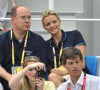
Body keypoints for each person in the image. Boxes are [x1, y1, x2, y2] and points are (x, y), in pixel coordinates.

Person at [0, 5, 48, 90]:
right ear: (13, 20)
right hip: (6, 82)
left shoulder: (38, 40)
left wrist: (25, 77)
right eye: (23, 18)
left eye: (29, 18)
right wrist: (10, 78)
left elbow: (43, 66)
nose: (27, 21)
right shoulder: (2, 39)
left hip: (30, 83)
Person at [42, 10, 90, 88]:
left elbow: (81, 62)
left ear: (59, 22)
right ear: (44, 27)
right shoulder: (46, 45)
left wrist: (63, 71)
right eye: (48, 24)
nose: (52, 25)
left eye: (54, 22)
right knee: (52, 77)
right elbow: (47, 68)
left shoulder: (74, 35)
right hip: (60, 78)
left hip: (78, 73)